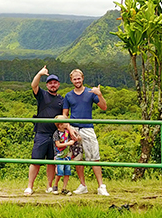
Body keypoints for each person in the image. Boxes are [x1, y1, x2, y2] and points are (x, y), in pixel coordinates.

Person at [62, 68, 109, 196]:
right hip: (74, 129)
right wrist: (69, 128)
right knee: (77, 158)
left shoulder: (90, 92)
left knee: (94, 157)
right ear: (71, 80)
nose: (77, 81)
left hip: (88, 128)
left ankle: (101, 186)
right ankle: (83, 185)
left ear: (82, 78)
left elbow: (104, 107)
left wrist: (99, 94)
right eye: (74, 79)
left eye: (79, 78)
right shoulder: (68, 96)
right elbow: (64, 114)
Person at [25, 66, 62, 195]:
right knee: (36, 160)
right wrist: (40, 74)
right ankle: (30, 186)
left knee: (51, 162)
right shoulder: (42, 94)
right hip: (41, 132)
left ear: (58, 84)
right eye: (50, 83)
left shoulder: (61, 100)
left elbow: (64, 116)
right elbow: (33, 85)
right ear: (47, 85)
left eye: (55, 83)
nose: (53, 85)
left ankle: (49, 186)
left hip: (55, 135)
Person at [53, 115, 81, 195]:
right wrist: (68, 143)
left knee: (67, 172)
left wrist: (77, 137)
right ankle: (55, 185)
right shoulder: (56, 134)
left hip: (67, 156)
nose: (67, 124)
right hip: (59, 156)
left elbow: (74, 138)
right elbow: (58, 145)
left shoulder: (67, 132)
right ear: (60, 125)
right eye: (65, 122)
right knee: (60, 172)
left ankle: (64, 188)